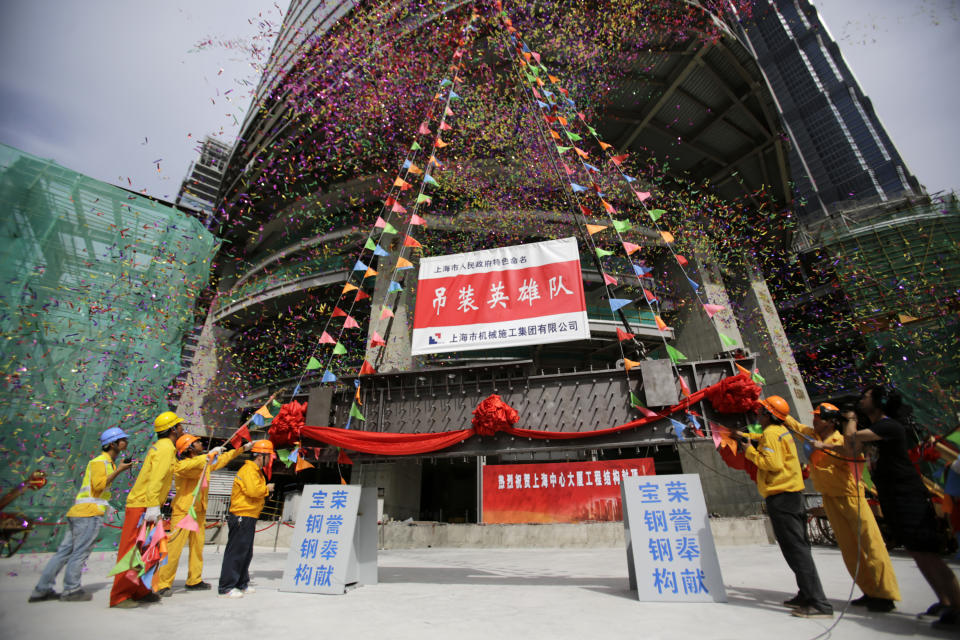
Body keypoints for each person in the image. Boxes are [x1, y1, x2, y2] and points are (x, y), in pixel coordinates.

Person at [844, 385, 960, 630]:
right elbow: (851, 449)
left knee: (929, 554)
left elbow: (852, 438)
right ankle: (945, 600)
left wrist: (851, 420)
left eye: (865, 397)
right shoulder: (874, 429)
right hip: (893, 498)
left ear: (879, 402)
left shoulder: (888, 427)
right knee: (918, 554)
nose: (861, 401)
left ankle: (957, 605)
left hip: (909, 497)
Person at [785, 403, 900, 612]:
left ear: (831, 421)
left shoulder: (842, 440)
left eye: (819, 417)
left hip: (851, 497)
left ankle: (886, 593)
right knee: (849, 549)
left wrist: (827, 446)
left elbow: (852, 452)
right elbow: (793, 424)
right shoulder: (813, 436)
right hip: (829, 498)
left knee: (871, 544)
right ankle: (869, 591)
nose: (814, 420)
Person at [741, 395, 833, 618]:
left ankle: (819, 603)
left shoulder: (771, 434)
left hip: (782, 498)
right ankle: (805, 593)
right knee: (798, 547)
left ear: (768, 415)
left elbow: (770, 463)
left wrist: (749, 451)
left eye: (761, 412)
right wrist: (743, 436)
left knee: (796, 549)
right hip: (792, 496)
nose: (757, 415)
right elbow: (763, 439)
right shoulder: (780, 432)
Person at [29, 428, 133, 603]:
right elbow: (99, 486)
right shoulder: (101, 461)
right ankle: (71, 589)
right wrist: (120, 470)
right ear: (112, 444)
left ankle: (42, 589)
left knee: (63, 553)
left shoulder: (106, 462)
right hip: (89, 514)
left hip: (80, 512)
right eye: (122, 440)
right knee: (79, 552)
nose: (125, 443)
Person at [155, 435, 254, 596]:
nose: (201, 444)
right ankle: (163, 583)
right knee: (174, 549)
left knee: (197, 547)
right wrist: (209, 456)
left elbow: (222, 460)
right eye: (197, 442)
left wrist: (242, 449)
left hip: (199, 510)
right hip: (183, 511)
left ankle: (194, 579)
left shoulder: (204, 462)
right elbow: (189, 466)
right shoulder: (183, 464)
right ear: (188, 448)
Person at [109, 411, 184, 608]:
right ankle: (120, 596)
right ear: (173, 430)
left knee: (147, 551)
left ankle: (140, 590)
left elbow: (176, 469)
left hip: (148, 504)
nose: (182, 428)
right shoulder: (165, 448)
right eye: (179, 425)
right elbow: (156, 479)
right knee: (131, 551)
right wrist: (152, 506)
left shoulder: (166, 448)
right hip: (142, 505)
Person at [218, 439, 275, 599]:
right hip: (242, 515)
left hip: (250, 514)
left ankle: (241, 583)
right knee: (236, 551)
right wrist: (267, 488)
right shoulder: (249, 470)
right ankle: (227, 586)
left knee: (245, 552)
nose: (270, 460)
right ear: (260, 456)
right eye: (269, 456)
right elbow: (253, 491)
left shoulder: (256, 471)